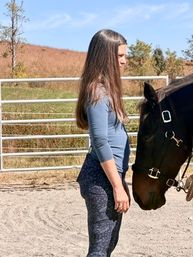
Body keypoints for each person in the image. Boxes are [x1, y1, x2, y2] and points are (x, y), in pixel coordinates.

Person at [76, 29, 130, 257]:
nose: (125, 61)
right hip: (101, 177)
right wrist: (117, 186)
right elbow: (99, 141)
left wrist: (120, 182)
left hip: (109, 176)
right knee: (100, 248)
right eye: (120, 56)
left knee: (108, 244)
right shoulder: (97, 92)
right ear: (106, 57)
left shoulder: (107, 91)